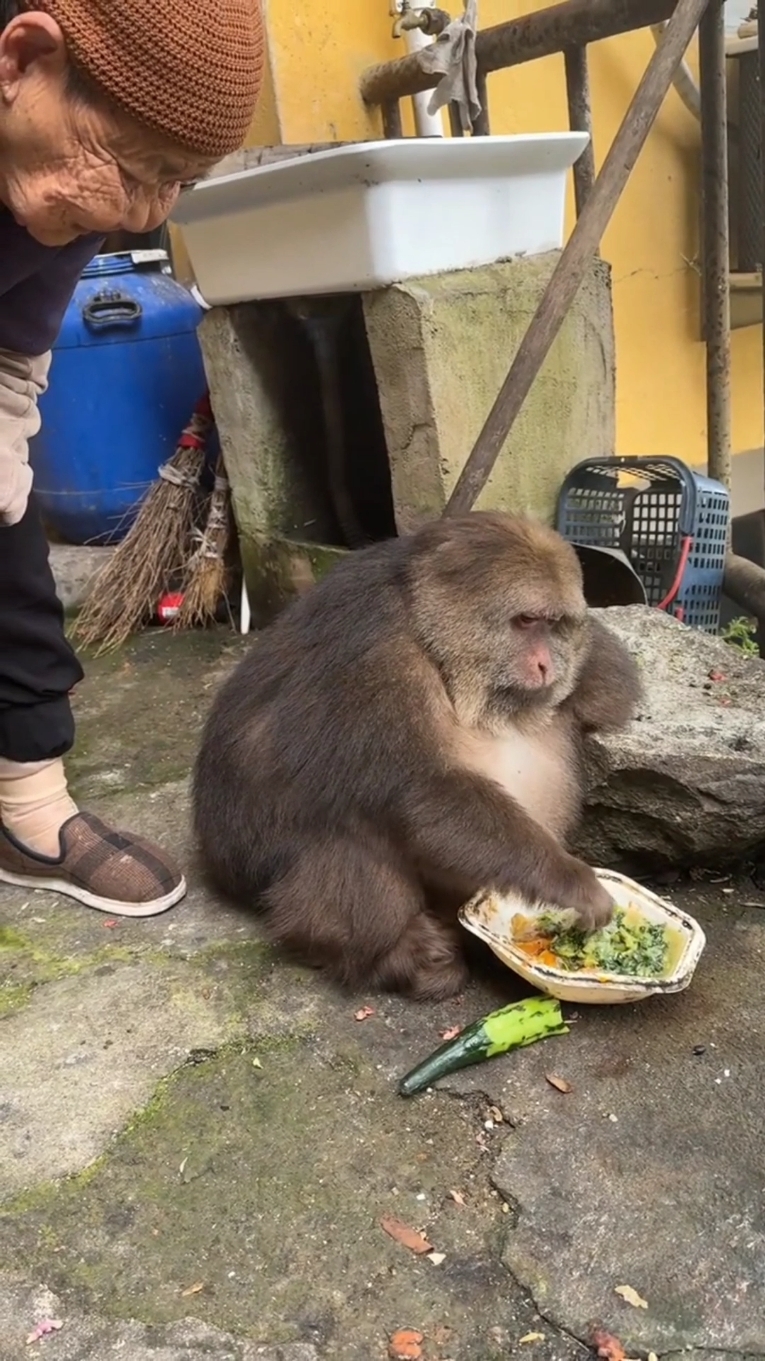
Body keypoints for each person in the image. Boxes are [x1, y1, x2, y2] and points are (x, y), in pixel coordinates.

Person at [0, 0, 264, 916]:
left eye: (177, 183)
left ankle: (29, 814)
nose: (139, 214)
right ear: (22, 59)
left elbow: (15, 344)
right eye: (133, 166)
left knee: (10, 545)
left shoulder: (69, 203)